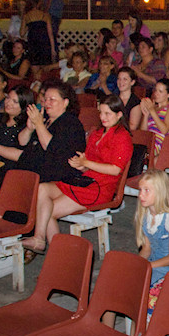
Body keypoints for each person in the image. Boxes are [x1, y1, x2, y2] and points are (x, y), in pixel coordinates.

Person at [21, 94, 132, 254]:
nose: (102, 117)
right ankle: (41, 240)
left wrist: (86, 163)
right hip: (85, 181)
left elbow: (115, 169)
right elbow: (89, 164)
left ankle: (55, 252)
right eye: (101, 113)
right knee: (42, 189)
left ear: (119, 114)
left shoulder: (122, 136)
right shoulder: (97, 133)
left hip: (100, 188)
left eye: (107, 114)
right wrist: (81, 165)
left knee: (47, 211)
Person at [135, 169, 169, 286]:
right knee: (130, 277)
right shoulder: (145, 215)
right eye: (140, 190)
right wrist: (137, 264)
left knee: (143, 284)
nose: (140, 195)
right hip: (155, 262)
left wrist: (148, 266)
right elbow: (147, 249)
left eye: (146, 190)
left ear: (160, 192)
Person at [139, 78, 169, 154]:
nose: (156, 94)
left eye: (160, 91)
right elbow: (143, 132)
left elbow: (164, 130)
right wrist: (146, 115)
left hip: (159, 144)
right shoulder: (153, 107)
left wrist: (152, 111)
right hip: (146, 141)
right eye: (156, 90)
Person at [20, 0, 56, 72]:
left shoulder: (27, 16)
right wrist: (53, 49)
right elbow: (50, 33)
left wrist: (29, 25)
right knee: (45, 71)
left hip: (33, 43)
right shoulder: (45, 15)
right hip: (44, 43)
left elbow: (22, 33)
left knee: (35, 71)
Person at [115, 67, 143, 131]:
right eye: (119, 79)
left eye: (125, 79)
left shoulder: (135, 103)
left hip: (124, 134)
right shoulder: (113, 98)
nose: (121, 82)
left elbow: (132, 127)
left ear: (132, 82)